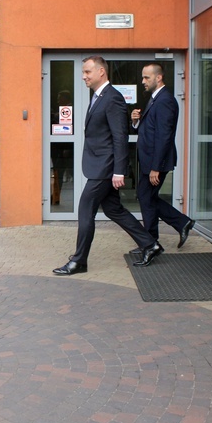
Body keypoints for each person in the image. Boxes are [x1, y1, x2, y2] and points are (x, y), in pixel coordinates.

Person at [53, 56, 158, 276]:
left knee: (85, 208)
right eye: (83, 72)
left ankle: (79, 261)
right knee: (114, 210)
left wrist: (119, 170)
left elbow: (120, 137)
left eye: (87, 72)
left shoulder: (112, 98)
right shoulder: (99, 97)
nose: (84, 76)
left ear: (101, 72)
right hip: (100, 164)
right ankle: (150, 244)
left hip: (105, 167)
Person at [130, 63, 195, 250]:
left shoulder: (165, 100)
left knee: (146, 198)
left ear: (158, 78)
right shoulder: (154, 98)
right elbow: (151, 129)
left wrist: (155, 167)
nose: (143, 81)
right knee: (146, 198)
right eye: (143, 77)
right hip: (150, 160)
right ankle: (178, 225)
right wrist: (136, 122)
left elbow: (164, 136)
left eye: (146, 78)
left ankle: (151, 242)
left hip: (155, 162)